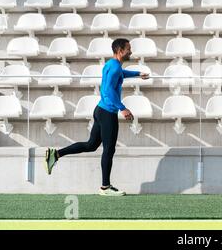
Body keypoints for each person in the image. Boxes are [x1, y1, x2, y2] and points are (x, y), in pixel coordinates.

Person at [44, 38, 149, 196]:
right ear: (120, 51)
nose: (131, 52)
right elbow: (108, 91)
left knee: (91, 145)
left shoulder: (112, 64)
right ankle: (105, 187)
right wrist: (123, 108)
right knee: (109, 149)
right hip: (108, 113)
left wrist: (137, 74)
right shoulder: (114, 68)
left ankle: (56, 154)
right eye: (128, 49)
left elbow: (121, 74)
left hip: (100, 110)